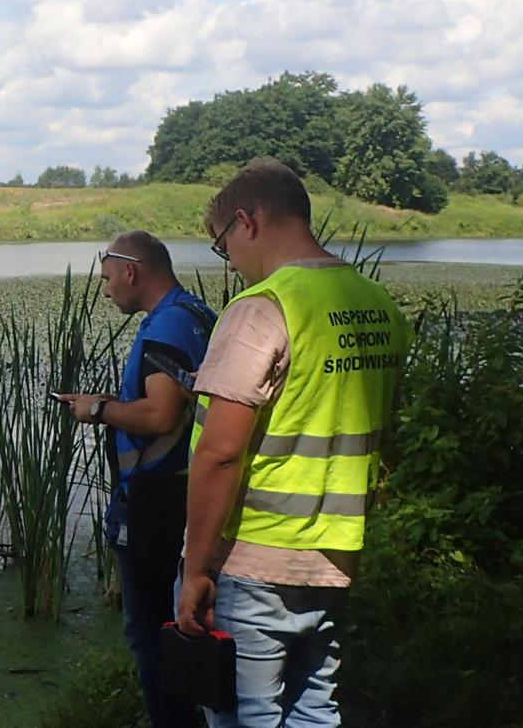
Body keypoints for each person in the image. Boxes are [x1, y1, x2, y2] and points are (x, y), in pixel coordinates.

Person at [176, 158, 411, 727]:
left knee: (248, 716)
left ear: (247, 220)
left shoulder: (262, 309)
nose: (231, 262)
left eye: (223, 245)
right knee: (314, 711)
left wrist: (196, 569)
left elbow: (220, 453)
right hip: (334, 556)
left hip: (255, 559)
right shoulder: (378, 305)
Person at [58, 230, 213, 728]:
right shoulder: (196, 314)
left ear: (131, 270)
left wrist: (98, 410)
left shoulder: (166, 326)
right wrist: (113, 403)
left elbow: (161, 416)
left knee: (151, 633)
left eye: (108, 278)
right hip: (184, 494)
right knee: (178, 625)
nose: (106, 290)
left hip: (156, 504)